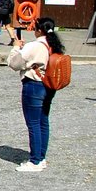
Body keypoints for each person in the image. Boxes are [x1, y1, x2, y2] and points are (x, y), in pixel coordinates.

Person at [6, 17, 64, 172]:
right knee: (43, 121)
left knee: (33, 124)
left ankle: (35, 161)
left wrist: (15, 48)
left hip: (34, 84)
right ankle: (41, 157)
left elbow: (14, 64)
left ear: (39, 30)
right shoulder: (54, 44)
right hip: (49, 85)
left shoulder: (35, 45)